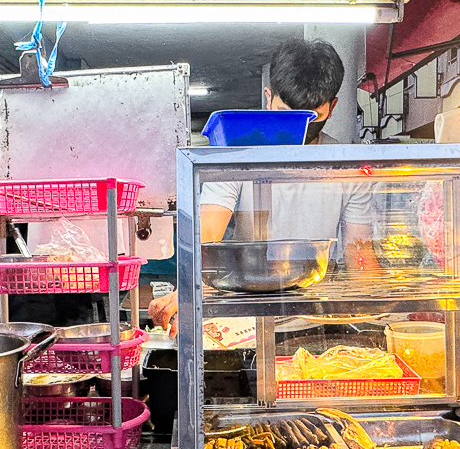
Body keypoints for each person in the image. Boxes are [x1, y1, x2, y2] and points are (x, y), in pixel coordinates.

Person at [149, 38, 379, 336]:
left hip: (316, 316)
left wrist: (385, 310)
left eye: (314, 117)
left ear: (332, 107)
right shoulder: (238, 158)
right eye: (287, 113)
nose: (300, 129)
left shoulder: (347, 168)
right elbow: (206, 233)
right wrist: (189, 289)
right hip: (246, 316)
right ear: (269, 98)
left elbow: (359, 251)